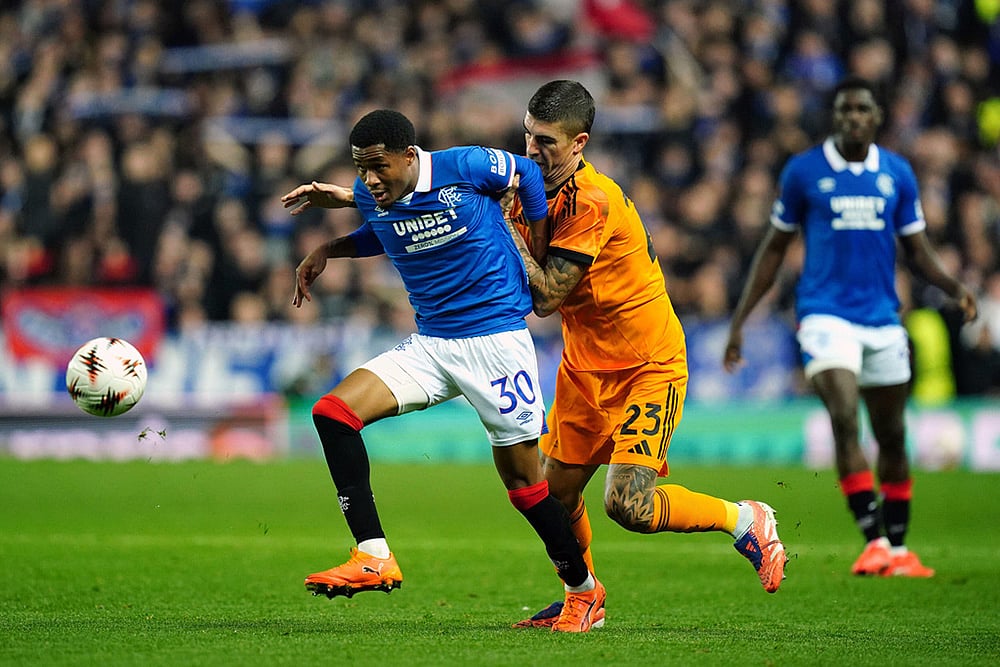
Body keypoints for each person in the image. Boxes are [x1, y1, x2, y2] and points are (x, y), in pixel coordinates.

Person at [281, 109, 604, 632]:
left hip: (497, 342)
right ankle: (373, 555)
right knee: (333, 413)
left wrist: (539, 242)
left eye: (378, 166)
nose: (368, 180)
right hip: (431, 345)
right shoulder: (372, 195)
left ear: (410, 157)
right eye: (360, 169)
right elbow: (380, 233)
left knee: (525, 486)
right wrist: (327, 250)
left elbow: (525, 173)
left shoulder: (468, 164)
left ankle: (583, 592)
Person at [503, 80, 787, 629]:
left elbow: (544, 298)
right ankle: (581, 599)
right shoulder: (535, 192)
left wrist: (501, 225)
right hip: (585, 368)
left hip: (647, 366)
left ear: (579, 142)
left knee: (627, 506)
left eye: (546, 142)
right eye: (527, 136)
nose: (532, 150)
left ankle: (744, 518)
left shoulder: (592, 199)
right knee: (552, 495)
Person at [723, 76, 978, 577]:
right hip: (823, 314)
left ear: (877, 117)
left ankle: (899, 549)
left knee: (892, 433)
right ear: (835, 116)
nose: (852, 118)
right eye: (844, 110)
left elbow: (917, 249)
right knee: (844, 414)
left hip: (882, 318)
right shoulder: (804, 172)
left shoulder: (897, 174)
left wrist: (953, 286)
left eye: (862, 109)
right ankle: (872, 537)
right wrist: (740, 320)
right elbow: (774, 249)